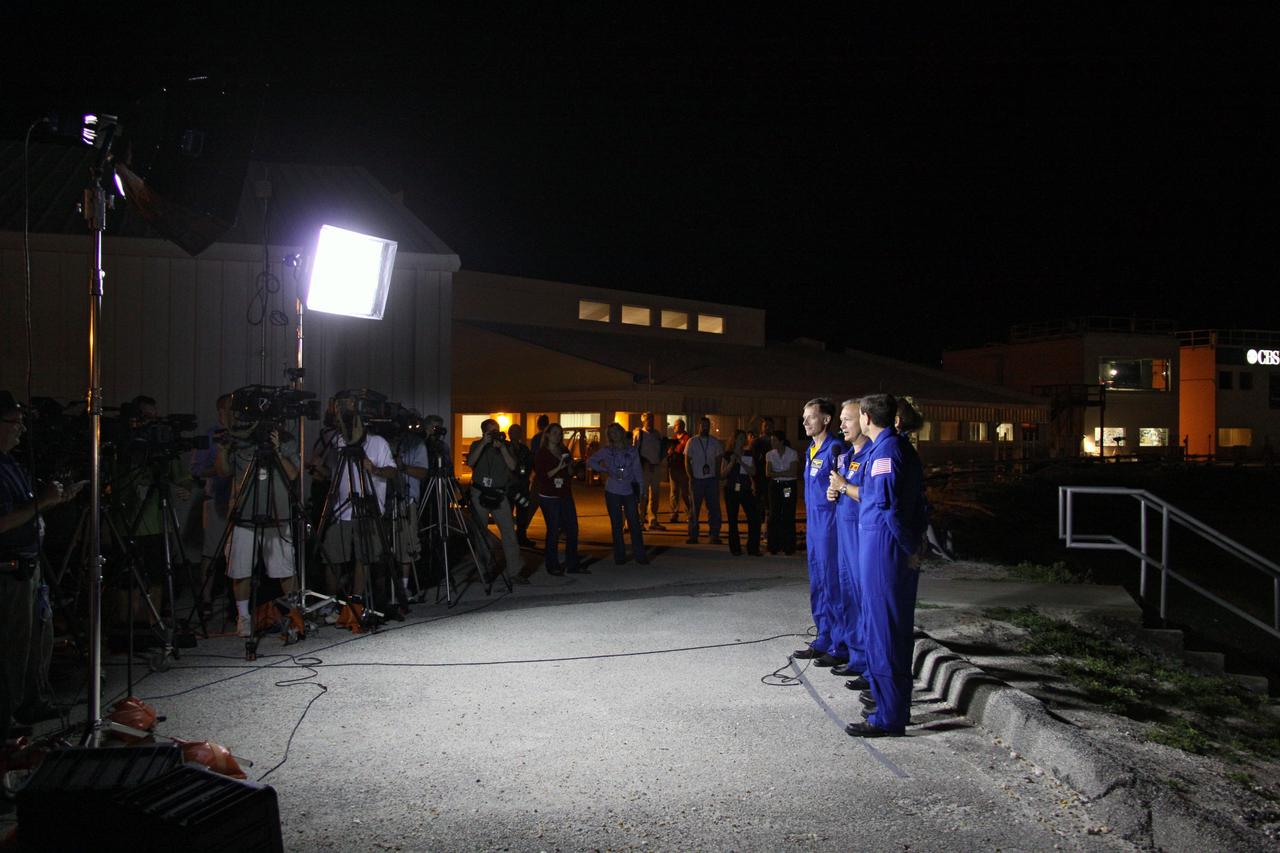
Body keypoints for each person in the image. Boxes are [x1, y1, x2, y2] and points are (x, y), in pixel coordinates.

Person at [0, 393, 84, 744]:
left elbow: (30, 510)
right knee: (10, 647)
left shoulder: (12, 464)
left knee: (38, 639)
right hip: (9, 570)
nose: (21, 429)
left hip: (31, 566)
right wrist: (43, 502)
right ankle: (5, 718)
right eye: (14, 422)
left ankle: (33, 701)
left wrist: (55, 500)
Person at [844, 393, 927, 739]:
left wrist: (910, 549)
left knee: (886, 634)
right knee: (883, 631)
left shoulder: (888, 452)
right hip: (881, 551)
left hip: (886, 554)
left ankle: (889, 716)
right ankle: (888, 705)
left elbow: (890, 507)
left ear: (866, 417)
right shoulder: (887, 448)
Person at [215, 421, 300, 638]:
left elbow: (292, 474)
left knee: (285, 569)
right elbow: (224, 472)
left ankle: (295, 613)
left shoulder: (286, 439)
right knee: (240, 569)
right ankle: (243, 617)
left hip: (277, 515)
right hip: (244, 516)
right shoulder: (240, 439)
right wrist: (223, 451)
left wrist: (277, 450)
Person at [315, 399, 398, 607]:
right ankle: (332, 602)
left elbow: (392, 471)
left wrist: (374, 470)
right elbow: (332, 473)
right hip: (341, 510)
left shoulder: (377, 442)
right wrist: (318, 468)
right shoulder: (338, 441)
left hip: (368, 510)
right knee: (332, 558)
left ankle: (357, 599)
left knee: (365, 557)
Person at [792, 397, 847, 668]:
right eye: (804, 417)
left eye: (810, 417)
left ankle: (839, 643)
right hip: (814, 526)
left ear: (826, 419)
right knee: (818, 583)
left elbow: (843, 486)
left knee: (831, 583)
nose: (804, 422)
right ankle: (823, 636)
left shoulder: (835, 447)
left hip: (830, 526)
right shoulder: (811, 449)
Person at [826, 399, 872, 680]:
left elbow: (873, 495)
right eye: (841, 420)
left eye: (847, 420)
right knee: (849, 598)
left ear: (865, 421)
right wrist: (836, 492)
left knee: (864, 600)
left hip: (862, 537)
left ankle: (870, 665)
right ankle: (856, 657)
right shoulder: (849, 456)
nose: (841, 425)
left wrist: (844, 486)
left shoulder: (872, 455)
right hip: (845, 537)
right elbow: (847, 488)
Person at [190, 393, 233, 616]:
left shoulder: (241, 435)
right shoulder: (210, 436)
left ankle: (233, 599)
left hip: (237, 500)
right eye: (229, 408)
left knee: (235, 552)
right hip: (216, 500)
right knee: (211, 552)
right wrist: (219, 469)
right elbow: (196, 469)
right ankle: (205, 598)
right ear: (221, 412)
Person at [465, 419, 523, 578]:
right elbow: (470, 462)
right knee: (480, 532)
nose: (495, 434)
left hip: (499, 493)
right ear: (484, 432)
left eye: (496, 430)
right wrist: (484, 443)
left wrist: (503, 448)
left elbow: (512, 466)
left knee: (509, 531)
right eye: (491, 431)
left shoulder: (507, 446)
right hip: (479, 492)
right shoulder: (477, 445)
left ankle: (515, 571)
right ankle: (484, 569)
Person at [588, 422, 649, 565]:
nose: (613, 434)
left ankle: (640, 555)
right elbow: (591, 461)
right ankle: (620, 556)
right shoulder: (607, 450)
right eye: (611, 433)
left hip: (628, 491)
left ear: (621, 432)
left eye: (616, 431)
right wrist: (604, 470)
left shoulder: (632, 451)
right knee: (616, 524)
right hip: (612, 491)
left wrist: (642, 489)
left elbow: (638, 471)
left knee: (634, 523)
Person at [533, 423, 582, 577]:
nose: (558, 436)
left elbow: (570, 472)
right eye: (554, 433)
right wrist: (559, 467)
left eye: (560, 433)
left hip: (565, 494)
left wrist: (571, 467)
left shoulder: (564, 450)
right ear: (547, 434)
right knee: (554, 530)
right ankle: (552, 565)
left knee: (572, 529)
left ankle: (572, 564)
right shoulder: (542, 453)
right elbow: (542, 476)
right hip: (549, 496)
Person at [683, 417, 724, 544]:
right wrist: (691, 477)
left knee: (714, 508)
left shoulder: (715, 442)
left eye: (707, 425)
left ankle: (714, 534)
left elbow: (718, 460)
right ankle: (693, 535)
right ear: (698, 426)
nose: (705, 428)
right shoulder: (692, 441)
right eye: (703, 425)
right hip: (697, 479)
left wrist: (717, 477)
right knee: (694, 509)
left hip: (711, 479)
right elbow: (687, 461)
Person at [721, 429, 761, 556]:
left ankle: (753, 547)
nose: (742, 440)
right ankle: (735, 548)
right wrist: (733, 462)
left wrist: (741, 461)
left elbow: (753, 472)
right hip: (731, 489)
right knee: (733, 520)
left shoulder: (748, 454)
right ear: (734, 439)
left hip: (745, 489)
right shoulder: (727, 454)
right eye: (740, 438)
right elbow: (722, 474)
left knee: (754, 517)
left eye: (744, 438)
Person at [765, 430, 799, 555]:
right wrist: (784, 473)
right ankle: (774, 545)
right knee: (774, 514)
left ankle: (788, 546)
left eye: (774, 440)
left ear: (781, 441)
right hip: (775, 486)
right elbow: (768, 473)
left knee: (788, 513)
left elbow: (793, 472)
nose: (772, 443)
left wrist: (778, 473)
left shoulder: (792, 453)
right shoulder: (769, 454)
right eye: (771, 440)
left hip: (788, 486)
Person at [506, 423, 537, 548]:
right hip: (509, 488)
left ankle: (521, 537)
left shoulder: (524, 449)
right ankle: (509, 539)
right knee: (507, 514)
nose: (516, 435)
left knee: (523, 513)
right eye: (513, 432)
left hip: (522, 486)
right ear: (509, 434)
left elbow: (530, 464)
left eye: (518, 432)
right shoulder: (505, 447)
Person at [634, 412, 666, 530]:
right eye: (648, 419)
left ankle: (653, 520)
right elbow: (635, 452)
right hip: (644, 468)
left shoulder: (657, 434)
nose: (650, 421)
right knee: (643, 496)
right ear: (643, 421)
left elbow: (661, 449)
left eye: (652, 419)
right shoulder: (639, 434)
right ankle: (640, 521)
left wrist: (660, 461)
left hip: (656, 467)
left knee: (655, 495)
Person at [749, 417, 774, 534]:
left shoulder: (776, 442)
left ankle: (768, 531)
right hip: (759, 479)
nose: (767, 428)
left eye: (770, 426)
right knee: (758, 506)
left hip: (773, 479)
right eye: (765, 426)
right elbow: (752, 461)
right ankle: (757, 531)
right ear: (762, 428)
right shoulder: (756, 443)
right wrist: (753, 480)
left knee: (771, 505)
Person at [667, 418, 691, 523]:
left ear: (682, 426)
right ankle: (674, 514)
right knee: (674, 492)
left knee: (685, 493)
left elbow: (686, 453)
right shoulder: (673, 439)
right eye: (674, 425)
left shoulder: (687, 438)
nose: (674, 427)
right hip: (673, 468)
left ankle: (690, 513)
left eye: (676, 425)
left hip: (683, 469)